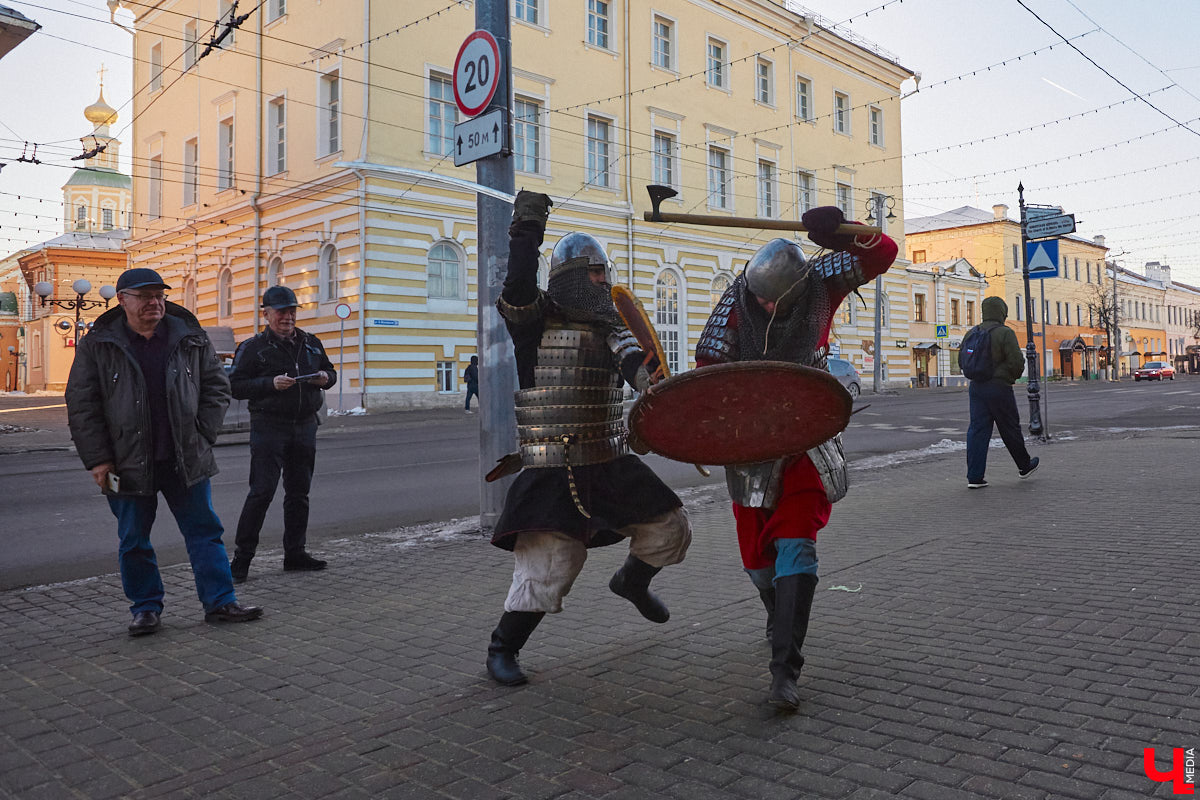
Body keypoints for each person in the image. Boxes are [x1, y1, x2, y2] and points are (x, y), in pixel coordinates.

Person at [484, 190, 692, 687]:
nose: (604, 280)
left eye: (605, 272)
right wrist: (527, 227)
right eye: (596, 273)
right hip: (554, 463)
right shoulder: (534, 323)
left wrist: (657, 390)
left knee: (670, 527)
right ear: (573, 277)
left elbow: (635, 366)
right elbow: (515, 286)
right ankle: (502, 647)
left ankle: (631, 581)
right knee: (553, 564)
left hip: (609, 457)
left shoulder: (609, 323)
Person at [695, 207, 898, 710]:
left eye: (771, 300)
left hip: (807, 438)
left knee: (796, 547)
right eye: (757, 297)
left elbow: (885, 251)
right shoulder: (737, 300)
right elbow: (707, 377)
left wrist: (842, 231)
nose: (762, 303)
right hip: (751, 444)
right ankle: (777, 615)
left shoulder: (819, 283)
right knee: (758, 563)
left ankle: (785, 670)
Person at [65, 267, 263, 635]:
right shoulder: (99, 343)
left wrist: (202, 433)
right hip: (122, 462)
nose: (155, 303)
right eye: (145, 297)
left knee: (205, 532)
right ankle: (145, 608)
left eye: (160, 296)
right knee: (133, 539)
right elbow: (82, 404)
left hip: (186, 458)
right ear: (123, 300)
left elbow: (217, 388)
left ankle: (220, 602)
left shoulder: (189, 336)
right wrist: (98, 460)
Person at [227, 286, 336, 583]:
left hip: (304, 425)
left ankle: (295, 554)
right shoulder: (253, 347)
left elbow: (330, 371)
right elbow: (235, 385)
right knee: (261, 492)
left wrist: (326, 379)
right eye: (281, 312)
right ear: (266, 314)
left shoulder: (311, 343)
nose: (287, 317)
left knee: (299, 493)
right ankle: (241, 560)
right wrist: (269, 384)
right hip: (269, 426)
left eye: (291, 311)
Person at [963, 296, 1040, 489]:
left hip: (976, 387)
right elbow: (1016, 362)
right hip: (998, 388)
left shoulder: (972, 332)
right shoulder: (1004, 333)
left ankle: (974, 477)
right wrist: (1007, 377)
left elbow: (962, 360)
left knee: (977, 431)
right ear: (1002, 312)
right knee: (1009, 428)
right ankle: (1024, 466)